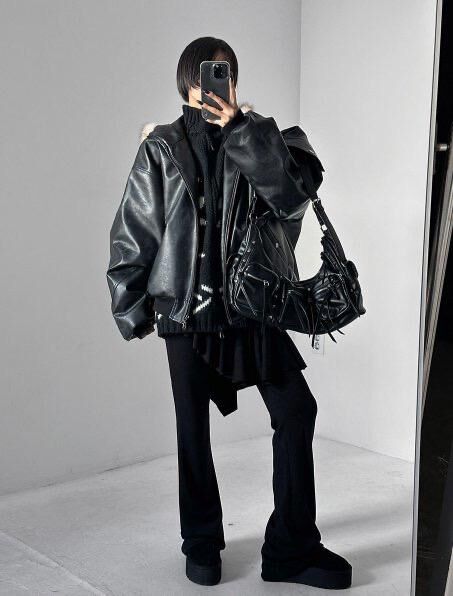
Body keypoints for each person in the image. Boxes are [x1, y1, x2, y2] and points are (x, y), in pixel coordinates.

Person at [106, 36, 352, 589]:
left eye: (221, 72)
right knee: (191, 431)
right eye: (202, 73)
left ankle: (291, 547)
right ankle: (201, 541)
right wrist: (132, 304)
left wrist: (241, 127)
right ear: (184, 81)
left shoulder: (266, 136)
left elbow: (291, 196)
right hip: (185, 310)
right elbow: (135, 226)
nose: (210, 83)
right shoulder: (161, 146)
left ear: (233, 79)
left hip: (251, 307)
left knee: (296, 411)